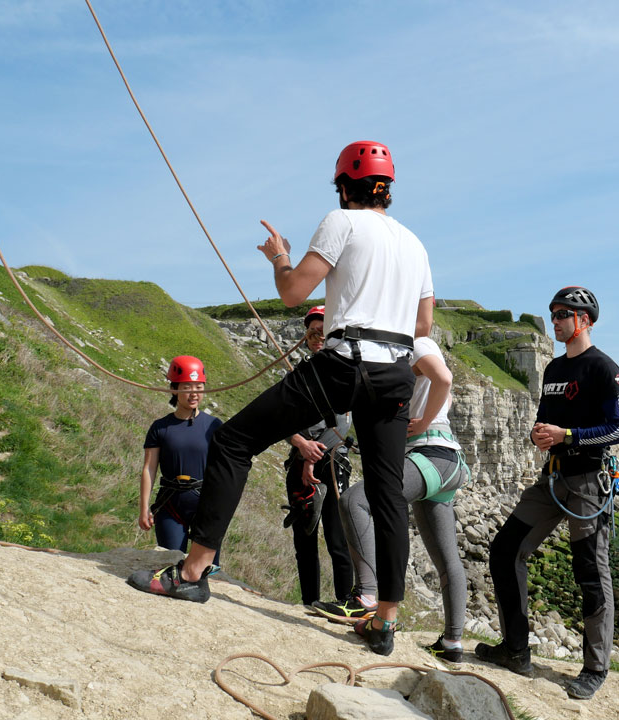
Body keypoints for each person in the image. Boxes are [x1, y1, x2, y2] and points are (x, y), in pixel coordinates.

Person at [128, 140, 434, 659]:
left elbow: (294, 292)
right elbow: (423, 324)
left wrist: (281, 258)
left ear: (344, 185)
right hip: (396, 371)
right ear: (388, 190)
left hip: (345, 364)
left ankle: (192, 571)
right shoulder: (415, 244)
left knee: (232, 441)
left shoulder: (342, 222)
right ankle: (384, 621)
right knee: (387, 494)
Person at [477, 286, 619, 700]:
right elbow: (545, 422)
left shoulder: (604, 367)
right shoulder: (552, 370)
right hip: (553, 477)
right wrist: (539, 434)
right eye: (554, 312)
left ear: (586, 319)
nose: (556, 319)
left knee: (590, 574)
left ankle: (595, 668)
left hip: (588, 483)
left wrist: (569, 435)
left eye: (564, 313)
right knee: (505, 550)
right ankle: (515, 649)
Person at [315, 335, 471, 663]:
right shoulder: (410, 353)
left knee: (356, 500)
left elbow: (444, 379)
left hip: (429, 453)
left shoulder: (418, 343)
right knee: (447, 559)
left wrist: (424, 422)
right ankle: (453, 642)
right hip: (445, 463)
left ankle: (367, 596)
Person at [281, 304, 354, 607]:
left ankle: (345, 602)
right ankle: (310, 602)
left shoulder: (345, 372)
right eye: (312, 330)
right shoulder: (295, 373)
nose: (316, 335)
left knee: (338, 539)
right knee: (305, 539)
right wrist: (300, 444)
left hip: (331, 460)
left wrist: (311, 453)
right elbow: (281, 419)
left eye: (322, 330)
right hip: (302, 459)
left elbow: (344, 422)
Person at [138, 355, 222, 565]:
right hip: (170, 505)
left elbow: (224, 469)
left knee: (205, 569)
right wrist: (144, 507)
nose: (194, 393)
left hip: (206, 505)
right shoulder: (160, 427)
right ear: (174, 389)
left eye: (199, 386)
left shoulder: (214, 426)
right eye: (187, 387)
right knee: (170, 564)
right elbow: (149, 468)